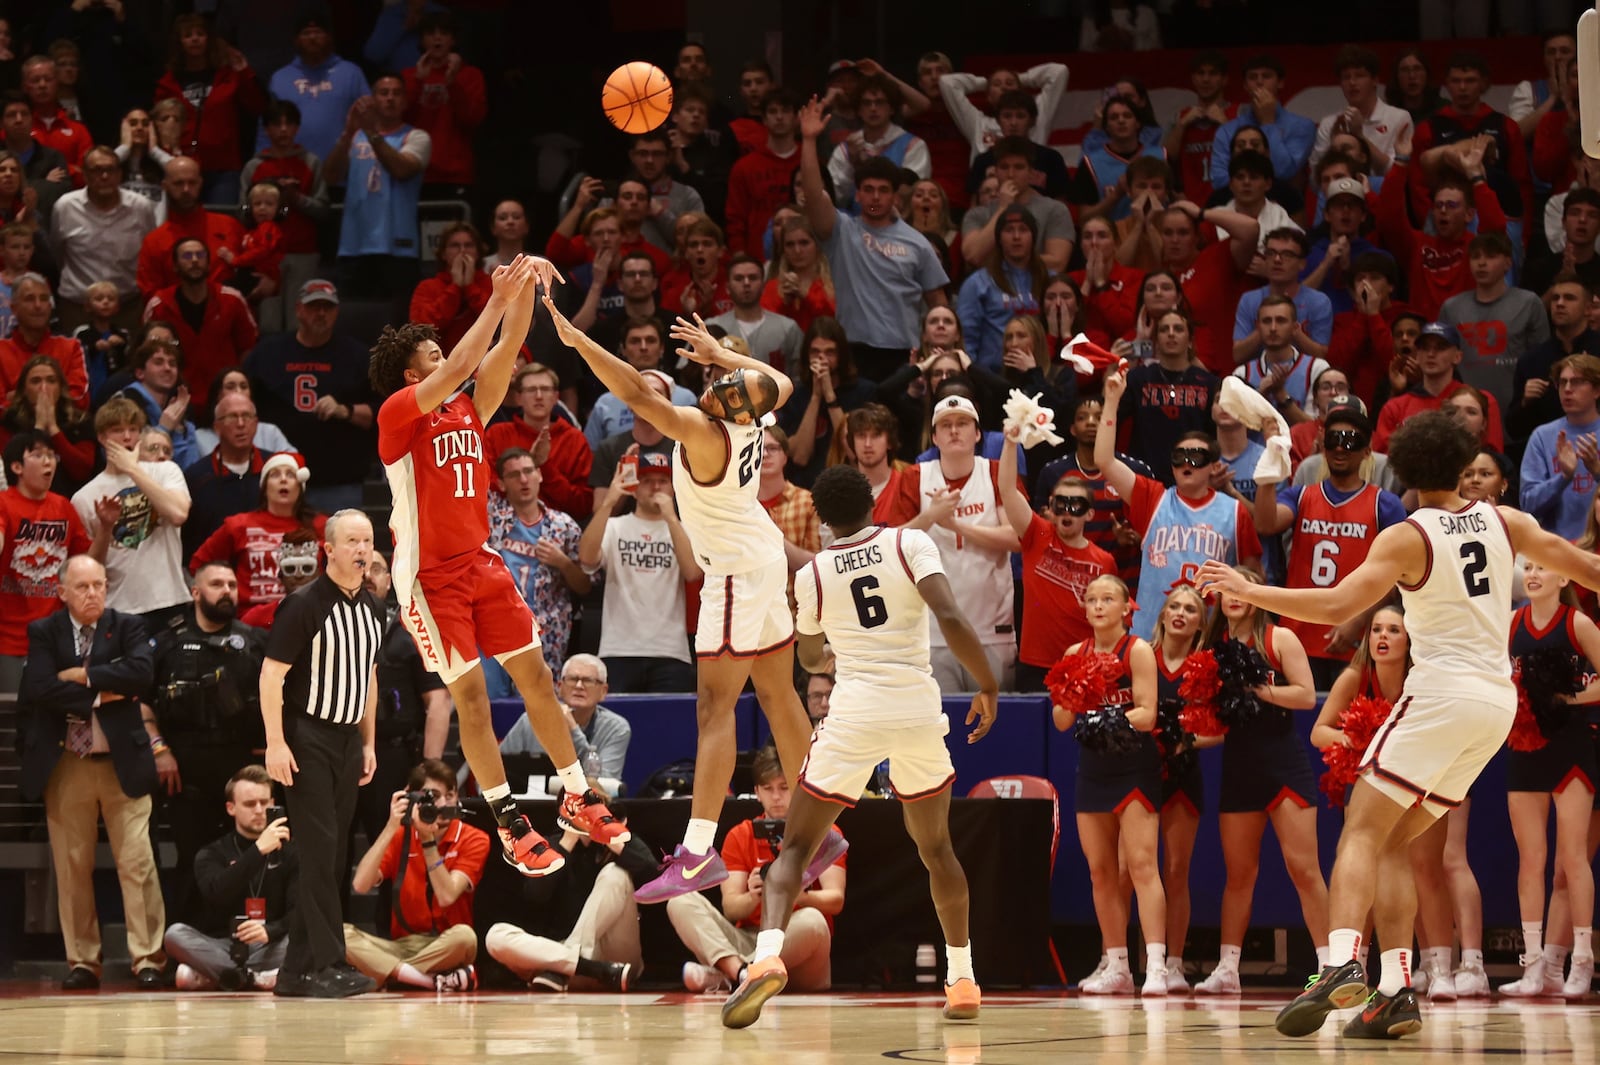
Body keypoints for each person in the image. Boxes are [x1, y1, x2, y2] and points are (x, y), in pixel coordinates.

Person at [1196, 410, 1600, 1041]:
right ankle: (1395, 993)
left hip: (1441, 694)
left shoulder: (1408, 534)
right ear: (1465, 467)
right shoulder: (1506, 519)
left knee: (1359, 826)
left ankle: (1339, 966)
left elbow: (1334, 605)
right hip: (1495, 706)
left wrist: (1250, 587)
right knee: (1393, 841)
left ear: (1405, 473)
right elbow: (1591, 570)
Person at [544, 298, 827, 902]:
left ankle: (699, 853)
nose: (718, 380)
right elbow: (777, 381)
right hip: (764, 557)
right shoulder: (755, 416)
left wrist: (579, 343)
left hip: (733, 575)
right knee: (778, 695)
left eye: (725, 381)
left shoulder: (701, 431)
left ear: (725, 403)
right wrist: (724, 352)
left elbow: (637, 396)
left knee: (714, 712)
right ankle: (819, 829)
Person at [369, 257, 625, 879]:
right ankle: (509, 822)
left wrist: (524, 295)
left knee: (539, 677)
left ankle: (575, 795)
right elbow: (463, 363)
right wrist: (496, 295)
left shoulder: (464, 413)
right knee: (474, 701)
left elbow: (504, 350)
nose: (447, 360)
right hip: (430, 578)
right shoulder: (398, 417)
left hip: (480, 561)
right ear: (411, 373)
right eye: (432, 354)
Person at [717, 465, 994, 1027]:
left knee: (794, 849)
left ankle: (766, 955)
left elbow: (812, 659)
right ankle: (961, 977)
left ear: (822, 519)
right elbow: (948, 614)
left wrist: (836, 645)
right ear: (872, 501)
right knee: (936, 849)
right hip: (916, 709)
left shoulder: (814, 573)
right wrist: (986, 684)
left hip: (855, 714)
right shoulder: (909, 542)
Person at [19, 555, 164, 990]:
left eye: (99, 585)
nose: (93, 594)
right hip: (67, 764)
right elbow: (40, 688)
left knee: (137, 863)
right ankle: (83, 961)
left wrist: (82, 677)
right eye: (82, 587)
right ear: (61, 591)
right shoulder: (44, 631)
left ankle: (147, 959)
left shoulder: (126, 625)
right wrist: (104, 693)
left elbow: (142, 673)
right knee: (72, 866)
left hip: (123, 762)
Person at [258, 509, 384, 999]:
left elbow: (370, 678)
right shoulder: (303, 604)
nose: (361, 549)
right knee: (317, 855)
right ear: (327, 549)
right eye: (351, 541)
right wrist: (275, 742)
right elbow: (271, 676)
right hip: (307, 736)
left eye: (367, 541)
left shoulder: (374, 607)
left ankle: (294, 974)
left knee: (332, 857)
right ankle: (329, 965)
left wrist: (369, 741)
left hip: (350, 739)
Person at [1192, 567, 1330, 994]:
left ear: (1254, 594)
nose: (1234, 597)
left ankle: (1331, 966)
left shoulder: (1279, 639)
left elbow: (1306, 695)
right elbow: (1210, 718)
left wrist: (1255, 689)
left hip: (1284, 765)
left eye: (1240, 588)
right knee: (1239, 875)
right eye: (1226, 590)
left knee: (1304, 870)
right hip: (1239, 767)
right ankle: (1227, 969)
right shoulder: (1211, 649)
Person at [1497, 560, 1600, 998]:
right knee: (1531, 860)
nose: (1534, 574)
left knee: (1572, 855)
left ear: (1564, 580)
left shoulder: (1577, 622)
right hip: (1525, 745)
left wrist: (1567, 697)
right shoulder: (1511, 624)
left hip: (1573, 743)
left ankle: (1582, 959)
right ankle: (1535, 964)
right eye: (1529, 567)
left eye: (1544, 569)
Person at [1098, 367, 1262, 641]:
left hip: (1210, 638)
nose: (1187, 462)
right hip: (1151, 636)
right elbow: (1104, 460)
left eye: (1197, 457)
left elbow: (1254, 576)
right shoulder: (1153, 497)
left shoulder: (1234, 511)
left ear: (1213, 466)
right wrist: (1112, 401)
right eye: (1179, 456)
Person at [1252, 400, 1407, 687]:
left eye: (1351, 441)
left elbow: (1396, 576)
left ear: (1367, 450)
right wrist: (1269, 468)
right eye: (1334, 439)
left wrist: (1359, 620)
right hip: (1298, 634)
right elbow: (1265, 523)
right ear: (1323, 446)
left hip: (1357, 637)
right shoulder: (1301, 495)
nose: (1341, 447)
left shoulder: (1385, 504)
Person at [144, 562, 268, 921]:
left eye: (232, 583)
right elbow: (140, 704)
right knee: (191, 857)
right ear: (195, 592)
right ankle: (184, 940)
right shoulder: (168, 643)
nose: (227, 590)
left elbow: (276, 700)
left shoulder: (254, 643)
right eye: (216, 584)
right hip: (185, 769)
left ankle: (246, 940)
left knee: (248, 856)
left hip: (241, 767)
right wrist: (159, 749)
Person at [799, 96, 949, 384]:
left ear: (895, 196)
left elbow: (939, 306)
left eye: (883, 190)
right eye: (868, 189)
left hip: (904, 354)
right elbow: (814, 193)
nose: (875, 197)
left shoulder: (918, 243)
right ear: (857, 194)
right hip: (853, 351)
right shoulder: (841, 230)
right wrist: (808, 141)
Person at [343, 759, 486, 992]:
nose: (441, 804)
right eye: (432, 796)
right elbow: (360, 885)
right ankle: (427, 981)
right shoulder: (402, 835)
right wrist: (391, 826)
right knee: (340, 935)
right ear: (415, 799)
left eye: (449, 795)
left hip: (446, 944)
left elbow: (447, 896)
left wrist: (428, 842)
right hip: (402, 945)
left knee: (466, 937)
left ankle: (390, 973)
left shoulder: (474, 838)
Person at [243, 279, 377, 514]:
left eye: (328, 307)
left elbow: (381, 413)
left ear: (337, 312)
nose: (321, 313)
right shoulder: (268, 353)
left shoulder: (358, 357)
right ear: (298, 309)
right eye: (314, 306)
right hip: (279, 478)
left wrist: (345, 411)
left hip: (339, 482)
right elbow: (243, 403)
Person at [999, 431, 1115, 692]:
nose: (1067, 512)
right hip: (1034, 665)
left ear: (1090, 514)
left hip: (1084, 665)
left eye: (1077, 506)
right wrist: (1010, 442)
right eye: (1061, 504)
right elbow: (1007, 490)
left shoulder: (1104, 562)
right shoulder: (1038, 534)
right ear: (1050, 506)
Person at [164, 765, 296, 991]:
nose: (258, 810)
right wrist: (257, 851)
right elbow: (217, 894)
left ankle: (220, 976)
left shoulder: (290, 852)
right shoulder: (212, 853)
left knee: (308, 935)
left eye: (264, 803)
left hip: (270, 943)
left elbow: (302, 909)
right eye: (249, 804)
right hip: (223, 945)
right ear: (231, 808)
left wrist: (270, 931)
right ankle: (256, 977)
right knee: (174, 935)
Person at [578, 451, 699, 692]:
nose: (655, 487)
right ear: (634, 487)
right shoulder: (614, 527)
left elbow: (692, 572)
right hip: (618, 648)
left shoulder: (685, 530)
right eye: (647, 480)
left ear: (674, 488)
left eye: (663, 481)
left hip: (670, 650)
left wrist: (671, 518)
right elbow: (586, 559)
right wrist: (609, 502)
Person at [73, 397, 192, 629]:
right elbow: (89, 567)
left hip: (170, 600)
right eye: (118, 430)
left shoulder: (166, 470)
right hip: (118, 608)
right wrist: (106, 528)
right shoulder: (83, 497)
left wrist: (132, 470)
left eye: (133, 430)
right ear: (102, 437)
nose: (127, 437)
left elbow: (178, 514)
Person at [0, 432, 92, 691]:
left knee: (54, 715)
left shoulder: (63, 506)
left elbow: (85, 562)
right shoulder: (4, 503)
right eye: (38, 455)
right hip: (8, 636)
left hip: (56, 633)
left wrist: (106, 529)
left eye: (52, 455)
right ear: (17, 467)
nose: (48, 462)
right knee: (11, 715)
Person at [488, 447, 590, 681]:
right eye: (514, 475)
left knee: (541, 703)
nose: (523, 480)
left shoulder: (564, 526)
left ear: (540, 475)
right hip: (496, 627)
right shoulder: (490, 520)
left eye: (528, 471)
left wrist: (563, 563)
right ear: (502, 484)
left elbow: (585, 586)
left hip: (547, 631)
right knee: (495, 704)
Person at [326, 73, 430, 299]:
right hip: (354, 246)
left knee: (398, 325)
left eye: (396, 93)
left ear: (405, 101)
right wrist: (348, 132)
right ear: (373, 100)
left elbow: (401, 169)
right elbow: (331, 177)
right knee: (354, 321)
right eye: (384, 93)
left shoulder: (416, 137)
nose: (390, 98)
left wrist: (370, 131)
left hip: (399, 248)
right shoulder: (354, 138)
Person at [142, 238, 260, 414]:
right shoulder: (159, 305)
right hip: (176, 402)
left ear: (208, 262)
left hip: (225, 401)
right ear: (175, 266)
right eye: (187, 256)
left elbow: (248, 348)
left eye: (200, 255)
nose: (195, 260)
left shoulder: (232, 300)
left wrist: (238, 389)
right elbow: (145, 355)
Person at [1521, 354, 1600, 541]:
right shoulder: (1542, 436)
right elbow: (1528, 505)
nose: (1568, 389)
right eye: (1562, 383)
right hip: (1559, 548)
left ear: (1597, 390)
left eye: (1577, 382)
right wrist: (1563, 478)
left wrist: (1597, 472)